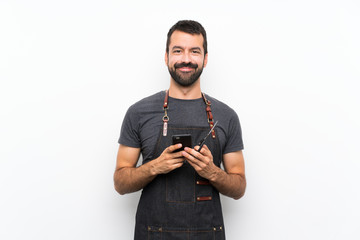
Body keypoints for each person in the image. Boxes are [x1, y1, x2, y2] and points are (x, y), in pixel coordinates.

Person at [114, 20, 246, 240]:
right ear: (166, 57)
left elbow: (239, 187)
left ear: (205, 59)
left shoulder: (226, 116)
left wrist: (212, 172)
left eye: (194, 51)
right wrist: (155, 166)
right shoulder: (138, 113)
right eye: (178, 51)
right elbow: (120, 183)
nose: (186, 59)